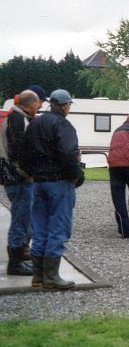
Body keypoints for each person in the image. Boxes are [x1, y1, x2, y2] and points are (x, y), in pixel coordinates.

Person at [21, 89, 84, 289]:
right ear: (66, 105)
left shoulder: (34, 124)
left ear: (51, 103)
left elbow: (23, 154)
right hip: (59, 181)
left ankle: (38, 276)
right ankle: (52, 276)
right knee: (58, 227)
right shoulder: (64, 125)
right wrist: (76, 175)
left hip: (38, 182)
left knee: (40, 228)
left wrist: (32, 172)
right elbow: (68, 153)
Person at [0, 90, 40, 276]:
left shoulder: (16, 117)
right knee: (20, 220)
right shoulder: (18, 120)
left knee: (24, 218)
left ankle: (20, 257)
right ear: (31, 105)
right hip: (18, 178)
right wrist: (28, 174)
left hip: (15, 176)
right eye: (38, 104)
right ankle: (15, 263)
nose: (39, 107)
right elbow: (16, 153)